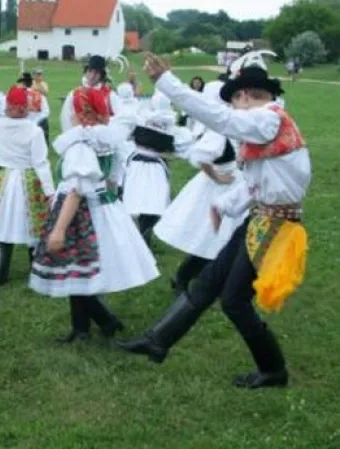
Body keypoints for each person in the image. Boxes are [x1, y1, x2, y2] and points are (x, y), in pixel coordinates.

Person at [119, 51, 310, 389]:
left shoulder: (269, 119)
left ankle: (273, 369)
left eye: (237, 97)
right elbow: (257, 184)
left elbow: (220, 120)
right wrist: (224, 206)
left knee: (234, 301)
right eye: (233, 97)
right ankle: (157, 340)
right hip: (260, 219)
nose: (235, 104)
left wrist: (167, 83)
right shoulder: (263, 132)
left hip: (275, 227)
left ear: (249, 96)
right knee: (208, 282)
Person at [30, 82, 158, 344]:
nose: (70, 115)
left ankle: (99, 323)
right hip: (105, 207)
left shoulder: (81, 145)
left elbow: (77, 190)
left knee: (77, 270)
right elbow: (113, 178)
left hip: (82, 213)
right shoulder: (106, 139)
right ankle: (86, 327)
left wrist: (59, 229)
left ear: (81, 114)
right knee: (81, 272)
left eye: (74, 111)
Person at [154, 80, 247, 295]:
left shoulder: (236, 122)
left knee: (227, 238)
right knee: (211, 237)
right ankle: (184, 277)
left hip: (236, 185)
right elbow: (200, 155)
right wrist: (216, 175)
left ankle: (211, 279)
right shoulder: (221, 127)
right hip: (219, 187)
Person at [0, 86, 55, 286]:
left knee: (4, 226)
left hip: (4, 181)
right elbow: (41, 162)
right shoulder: (34, 131)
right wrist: (50, 191)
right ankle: (36, 270)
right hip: (28, 180)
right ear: (25, 108)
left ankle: (0, 273)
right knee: (34, 226)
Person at [121, 92, 192, 245]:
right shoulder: (171, 126)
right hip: (154, 167)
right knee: (154, 202)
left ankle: (141, 235)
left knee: (138, 200)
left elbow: (126, 135)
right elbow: (181, 147)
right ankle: (142, 234)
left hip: (139, 165)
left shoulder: (142, 117)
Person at [61, 56, 112, 134]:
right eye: (90, 71)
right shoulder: (74, 94)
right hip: (79, 136)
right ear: (86, 72)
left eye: (96, 73)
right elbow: (67, 117)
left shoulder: (109, 95)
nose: (92, 76)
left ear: (101, 75)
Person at [18, 72, 50, 142]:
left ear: (23, 84)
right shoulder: (40, 96)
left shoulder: (17, 95)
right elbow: (46, 112)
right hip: (39, 124)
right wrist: (35, 121)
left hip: (23, 125)